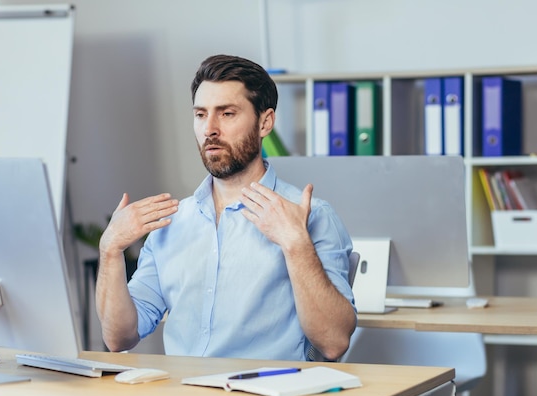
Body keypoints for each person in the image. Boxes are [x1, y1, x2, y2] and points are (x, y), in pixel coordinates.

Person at [96, 54, 356, 361]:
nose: (210, 129)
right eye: (201, 115)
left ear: (265, 122)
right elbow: (119, 338)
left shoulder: (310, 216)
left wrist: (296, 245)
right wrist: (110, 250)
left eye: (227, 114)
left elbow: (334, 342)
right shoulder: (173, 223)